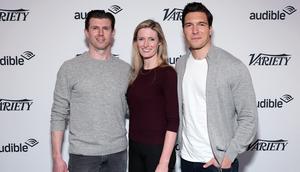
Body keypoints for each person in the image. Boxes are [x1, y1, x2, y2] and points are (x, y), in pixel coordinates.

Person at [176, 2, 258, 172]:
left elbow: (249, 118)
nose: (195, 30)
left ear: (210, 29)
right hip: (186, 158)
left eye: (201, 24)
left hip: (217, 163)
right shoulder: (180, 65)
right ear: (183, 31)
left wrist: (228, 156)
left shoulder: (233, 66)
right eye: (189, 25)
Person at [50, 10, 130, 172]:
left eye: (106, 28)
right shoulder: (69, 68)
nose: (100, 33)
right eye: (95, 28)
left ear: (113, 33)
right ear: (86, 32)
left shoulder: (126, 70)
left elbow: (132, 109)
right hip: (82, 156)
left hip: (117, 154)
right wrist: (57, 158)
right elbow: (58, 114)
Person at [126, 19, 179, 172]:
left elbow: (173, 121)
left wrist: (163, 162)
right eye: (141, 39)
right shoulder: (134, 75)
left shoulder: (167, 73)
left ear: (159, 42)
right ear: (136, 43)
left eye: (151, 39)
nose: (146, 44)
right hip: (135, 149)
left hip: (158, 151)